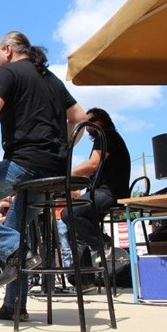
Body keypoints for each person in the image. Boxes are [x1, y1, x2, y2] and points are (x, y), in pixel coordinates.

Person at [0, 31, 87, 321]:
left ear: (8, 50)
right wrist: (64, 150)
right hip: (55, 170)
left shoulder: (7, 71)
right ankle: (14, 306)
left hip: (26, 165)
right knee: (16, 227)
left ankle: (15, 250)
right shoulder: (51, 79)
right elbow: (81, 118)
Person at [61, 107, 130, 290]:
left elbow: (92, 165)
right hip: (100, 191)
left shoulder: (106, 135)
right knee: (74, 230)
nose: (87, 124)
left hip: (110, 192)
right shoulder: (103, 138)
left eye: (90, 119)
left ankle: (102, 242)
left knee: (69, 213)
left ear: (101, 120)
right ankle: (85, 281)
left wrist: (65, 173)